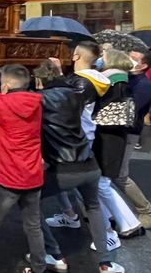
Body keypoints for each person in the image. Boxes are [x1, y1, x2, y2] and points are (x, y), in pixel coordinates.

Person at [32, 60, 126, 273]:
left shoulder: (39, 100)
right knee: (92, 206)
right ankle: (106, 263)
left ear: (39, 81)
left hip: (63, 167)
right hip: (88, 162)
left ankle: (55, 255)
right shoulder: (77, 95)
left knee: (31, 203)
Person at [0, 64, 47, 273]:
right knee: (33, 225)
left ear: (6, 85)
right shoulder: (36, 103)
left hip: (7, 176)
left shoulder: (2, 106)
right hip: (32, 175)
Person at [45, 41, 109, 230]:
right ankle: (69, 214)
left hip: (73, 135)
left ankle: (107, 231)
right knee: (56, 176)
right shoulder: (91, 78)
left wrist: (58, 74)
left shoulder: (81, 81)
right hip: (77, 133)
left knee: (81, 186)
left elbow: (65, 104)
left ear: (76, 56)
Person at [91, 49, 143, 243]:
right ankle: (109, 219)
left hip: (109, 136)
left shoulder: (114, 82)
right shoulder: (120, 80)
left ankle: (127, 223)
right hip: (111, 136)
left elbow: (101, 107)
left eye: (103, 57)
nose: (99, 60)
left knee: (102, 182)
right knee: (100, 182)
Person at [115, 48, 151, 229]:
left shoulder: (143, 86)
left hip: (128, 133)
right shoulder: (126, 78)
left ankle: (147, 212)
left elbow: (129, 111)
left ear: (143, 65)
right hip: (118, 132)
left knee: (120, 175)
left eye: (133, 58)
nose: (128, 59)